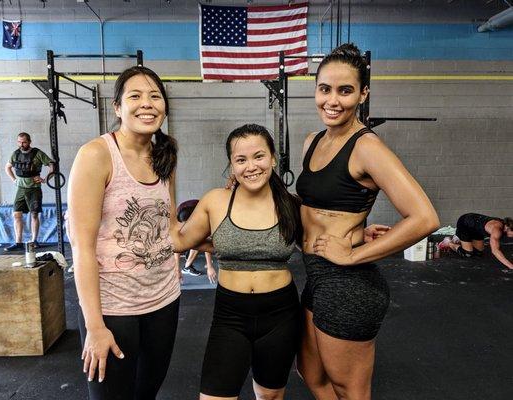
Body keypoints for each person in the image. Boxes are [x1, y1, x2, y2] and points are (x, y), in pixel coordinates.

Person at [295, 43, 440, 400]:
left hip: (349, 283)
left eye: (345, 91)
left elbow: (425, 218)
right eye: (325, 88)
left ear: (363, 94)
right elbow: (313, 205)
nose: (333, 100)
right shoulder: (312, 141)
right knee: (311, 373)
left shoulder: (367, 147)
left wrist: (355, 254)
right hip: (316, 276)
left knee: (351, 390)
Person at [68, 66, 181, 400]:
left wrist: (228, 218)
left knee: (147, 393)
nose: (146, 103)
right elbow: (82, 248)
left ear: (164, 107)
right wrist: (95, 325)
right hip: (114, 309)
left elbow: (171, 228)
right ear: (117, 107)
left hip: (164, 299)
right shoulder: (96, 155)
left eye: (155, 96)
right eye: (135, 96)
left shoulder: (165, 155)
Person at [171, 124, 303, 400]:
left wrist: (359, 234)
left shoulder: (291, 205)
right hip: (231, 314)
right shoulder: (216, 201)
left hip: (281, 314)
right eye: (241, 160)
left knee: (269, 395)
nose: (251, 166)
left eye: (259, 156)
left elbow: (316, 242)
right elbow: (181, 241)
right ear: (232, 165)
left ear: (273, 158)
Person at [4, 132, 54, 251]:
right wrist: (14, 180)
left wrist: (46, 179)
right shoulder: (15, 154)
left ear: (29, 141)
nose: (21, 144)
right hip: (21, 188)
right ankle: (18, 242)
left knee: (34, 214)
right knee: (16, 214)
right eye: (19, 142)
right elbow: (7, 167)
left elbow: (52, 165)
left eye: (24, 142)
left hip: (34, 188)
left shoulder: (37, 153)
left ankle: (34, 240)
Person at [446, 213, 513, 269]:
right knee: (468, 254)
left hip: (476, 229)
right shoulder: (497, 230)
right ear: (507, 228)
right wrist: (510, 265)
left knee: (478, 253)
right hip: (464, 224)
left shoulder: (507, 226)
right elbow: (495, 250)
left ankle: (462, 240)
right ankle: (449, 242)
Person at [174, 199, 217, 282]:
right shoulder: (179, 222)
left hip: (201, 215)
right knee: (192, 241)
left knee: (198, 240)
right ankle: (187, 266)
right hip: (187, 212)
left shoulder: (204, 218)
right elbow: (177, 247)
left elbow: (205, 239)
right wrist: (177, 269)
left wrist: (210, 266)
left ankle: (187, 266)